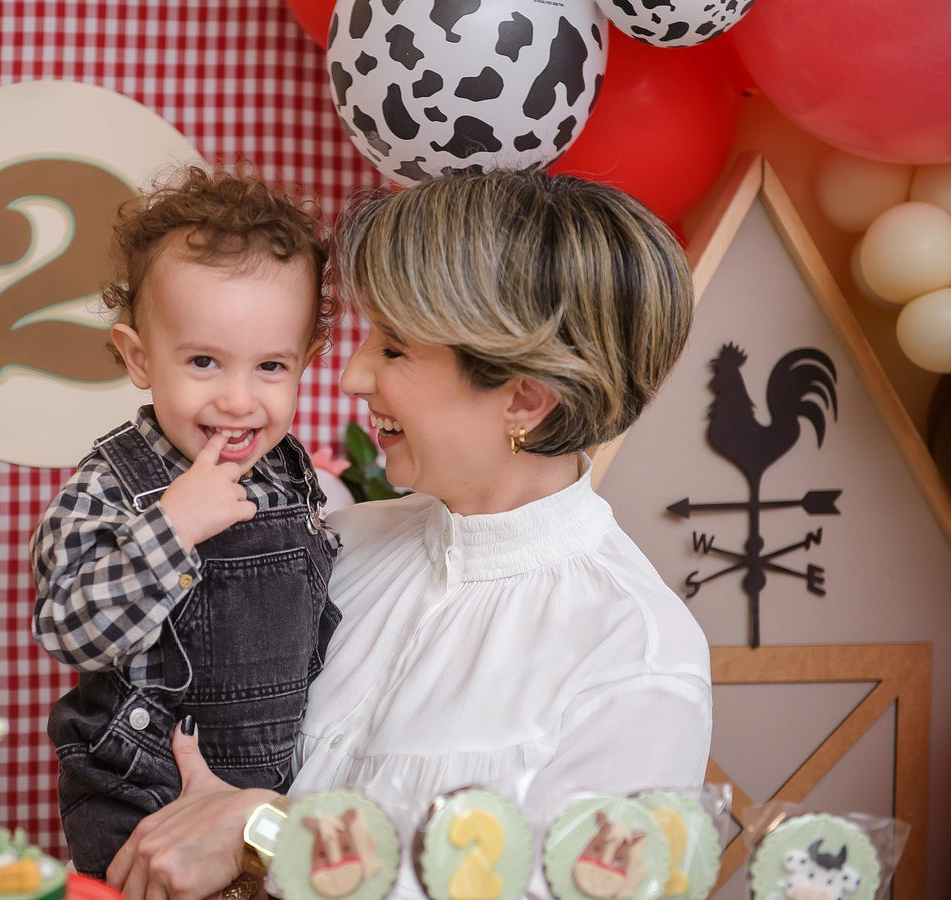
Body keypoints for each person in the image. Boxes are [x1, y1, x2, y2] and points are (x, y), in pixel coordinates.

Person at [105, 168, 713, 900]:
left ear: (525, 398)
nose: (353, 378)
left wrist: (265, 834)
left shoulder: (633, 657)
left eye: (393, 349)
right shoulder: (333, 547)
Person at [30, 167, 342, 879]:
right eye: (204, 361)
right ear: (139, 358)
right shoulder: (112, 486)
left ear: (307, 364)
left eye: (270, 366)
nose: (238, 399)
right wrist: (170, 529)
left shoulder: (289, 476)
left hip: (273, 792)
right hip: (142, 796)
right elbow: (65, 630)